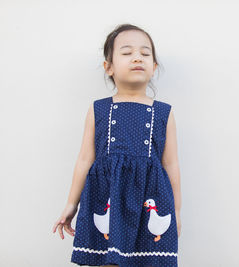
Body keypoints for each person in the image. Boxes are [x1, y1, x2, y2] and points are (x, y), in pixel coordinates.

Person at [52, 23, 182, 267]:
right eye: (126, 53)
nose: (137, 58)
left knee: (149, 261)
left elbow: (171, 164)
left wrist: (176, 211)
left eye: (145, 54)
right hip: (107, 195)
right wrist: (71, 203)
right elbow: (84, 159)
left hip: (149, 197)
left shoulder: (164, 113)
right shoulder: (98, 109)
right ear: (108, 67)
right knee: (108, 261)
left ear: (153, 67)